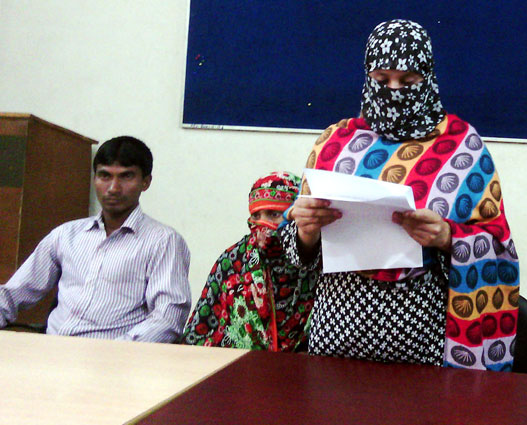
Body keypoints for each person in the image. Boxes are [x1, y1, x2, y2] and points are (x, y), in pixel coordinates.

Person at [283, 20, 519, 370]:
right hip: (336, 333)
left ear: (428, 79)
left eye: (407, 82)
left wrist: (447, 237)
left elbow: (499, 247)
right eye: (381, 80)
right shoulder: (335, 143)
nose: (393, 91)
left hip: (420, 339)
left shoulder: (461, 147)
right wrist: (305, 231)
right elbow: (293, 253)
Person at [0, 136, 191, 342]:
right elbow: (12, 294)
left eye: (126, 177)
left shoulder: (164, 241)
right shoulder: (66, 235)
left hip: (115, 355)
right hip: (51, 350)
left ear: (145, 182)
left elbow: (168, 319)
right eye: (105, 176)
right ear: (94, 179)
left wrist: (114, 352)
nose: (113, 188)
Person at [182, 172, 317, 351]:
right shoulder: (232, 261)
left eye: (274, 214)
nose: (263, 224)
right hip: (238, 364)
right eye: (256, 216)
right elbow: (199, 332)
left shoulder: (319, 261)